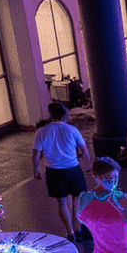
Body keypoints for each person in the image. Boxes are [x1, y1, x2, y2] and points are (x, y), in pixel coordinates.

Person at [32, 102, 90, 241]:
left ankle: (69, 232)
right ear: (64, 114)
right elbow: (84, 151)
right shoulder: (72, 130)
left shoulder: (42, 131)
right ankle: (78, 229)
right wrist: (87, 167)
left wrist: (35, 170)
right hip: (73, 169)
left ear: (51, 115)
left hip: (54, 171)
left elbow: (35, 154)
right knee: (78, 201)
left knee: (62, 203)